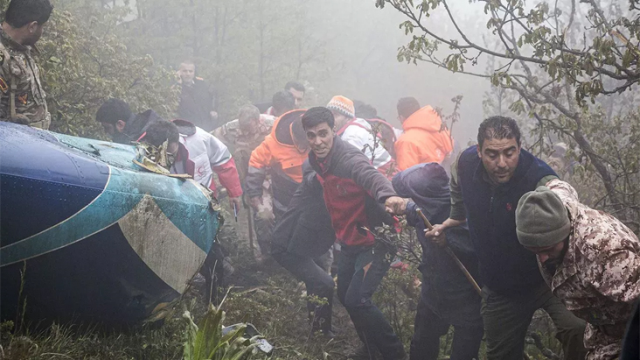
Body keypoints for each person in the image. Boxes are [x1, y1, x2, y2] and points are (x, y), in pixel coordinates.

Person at [426, 116, 587, 360]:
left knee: (579, 329)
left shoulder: (538, 177)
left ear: (520, 148)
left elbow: (564, 198)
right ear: (479, 151)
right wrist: (454, 218)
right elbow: (457, 186)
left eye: (510, 153)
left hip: (550, 278)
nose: (502, 163)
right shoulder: (465, 164)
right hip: (501, 287)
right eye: (492, 154)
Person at [302, 107, 408, 360]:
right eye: (312, 135)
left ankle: (396, 354)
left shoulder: (347, 158)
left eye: (323, 134)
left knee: (358, 299)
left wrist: (389, 195)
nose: (318, 141)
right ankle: (370, 348)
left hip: (376, 239)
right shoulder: (316, 159)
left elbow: (370, 175)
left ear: (333, 131)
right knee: (345, 295)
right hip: (350, 238)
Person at [515, 180, 640, 359]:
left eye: (548, 249)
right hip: (603, 328)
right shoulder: (555, 205)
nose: (542, 259)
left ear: (564, 233)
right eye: (535, 251)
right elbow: (558, 185)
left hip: (629, 330)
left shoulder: (605, 255)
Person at [392, 163, 483, 360]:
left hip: (467, 297)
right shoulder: (421, 208)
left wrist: (448, 240)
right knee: (422, 346)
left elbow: (478, 246)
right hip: (433, 292)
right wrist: (403, 203)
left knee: (464, 353)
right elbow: (400, 187)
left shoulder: (462, 209)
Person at [271, 163, 336, 337]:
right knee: (325, 283)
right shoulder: (313, 183)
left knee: (316, 282)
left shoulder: (332, 190)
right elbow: (312, 177)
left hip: (303, 245)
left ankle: (319, 326)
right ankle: (321, 333)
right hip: (286, 246)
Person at [245, 109, 309, 259]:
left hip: (311, 190)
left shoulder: (319, 132)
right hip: (279, 188)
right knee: (264, 216)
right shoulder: (275, 142)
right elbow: (256, 162)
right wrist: (254, 193)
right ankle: (270, 255)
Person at [0, 0, 53, 129]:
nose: (42, 31)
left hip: (34, 141)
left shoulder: (22, 48)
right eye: (42, 27)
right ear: (32, 27)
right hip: (12, 144)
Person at [171, 119, 242, 210]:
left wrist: (234, 193)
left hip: (207, 200)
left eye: (172, 151)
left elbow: (224, 161)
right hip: (174, 205)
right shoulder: (150, 147)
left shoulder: (199, 138)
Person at [326, 95, 395, 176]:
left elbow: (345, 166)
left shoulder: (352, 134)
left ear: (348, 118)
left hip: (385, 177)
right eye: (329, 114)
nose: (331, 118)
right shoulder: (355, 127)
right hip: (381, 173)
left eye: (336, 115)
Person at [394, 97, 454, 171]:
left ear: (401, 117)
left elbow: (406, 177)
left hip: (431, 181)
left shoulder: (406, 141)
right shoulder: (439, 126)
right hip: (448, 177)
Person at [95, 98, 164, 144]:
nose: (106, 132)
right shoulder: (135, 131)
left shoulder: (144, 142)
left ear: (120, 124)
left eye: (107, 128)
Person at [176, 60, 218, 131]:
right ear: (179, 72)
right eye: (185, 71)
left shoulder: (202, 84)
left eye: (190, 71)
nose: (188, 74)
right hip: (187, 127)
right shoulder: (176, 88)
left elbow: (213, 97)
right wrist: (178, 83)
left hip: (206, 125)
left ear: (194, 72)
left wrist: (213, 110)